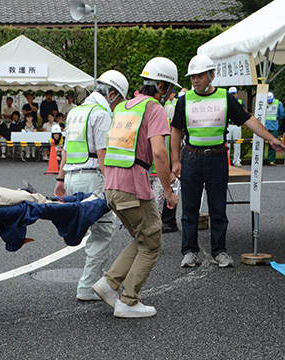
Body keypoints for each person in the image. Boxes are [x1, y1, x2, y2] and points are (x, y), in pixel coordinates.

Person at [170, 54, 285, 268]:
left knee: (218, 208)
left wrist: (272, 140)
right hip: (192, 158)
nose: (195, 80)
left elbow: (248, 119)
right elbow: (176, 130)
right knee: (190, 209)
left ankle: (219, 251)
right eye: (192, 76)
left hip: (217, 158)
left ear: (212, 75)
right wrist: (175, 160)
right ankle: (189, 251)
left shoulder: (225, 97)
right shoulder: (184, 100)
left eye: (200, 76)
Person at [90, 59, 179, 318]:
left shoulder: (124, 106)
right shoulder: (153, 108)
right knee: (152, 243)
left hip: (113, 186)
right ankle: (128, 301)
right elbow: (160, 154)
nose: (171, 94)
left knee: (142, 238)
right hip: (133, 186)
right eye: (170, 89)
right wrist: (169, 192)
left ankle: (108, 284)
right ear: (161, 86)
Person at [54, 70, 129, 302]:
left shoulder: (76, 112)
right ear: (112, 94)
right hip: (93, 176)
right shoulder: (101, 113)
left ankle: (92, 280)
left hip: (71, 176)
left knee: (89, 228)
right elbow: (103, 152)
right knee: (103, 230)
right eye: (118, 100)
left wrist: (59, 180)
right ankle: (88, 286)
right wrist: (111, 184)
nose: (117, 105)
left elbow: (65, 149)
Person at [226, 87, 244, 167]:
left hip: (237, 125)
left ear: (237, 94)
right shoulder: (225, 102)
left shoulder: (240, 102)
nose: (233, 95)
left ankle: (237, 160)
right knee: (227, 144)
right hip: (228, 125)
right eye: (231, 94)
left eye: (234, 94)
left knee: (237, 144)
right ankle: (227, 161)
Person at [265, 92, 284, 166]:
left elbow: (281, 113)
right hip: (265, 125)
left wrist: (278, 119)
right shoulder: (263, 102)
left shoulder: (278, 103)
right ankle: (261, 160)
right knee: (262, 143)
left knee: (274, 142)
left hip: (274, 125)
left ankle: (271, 160)